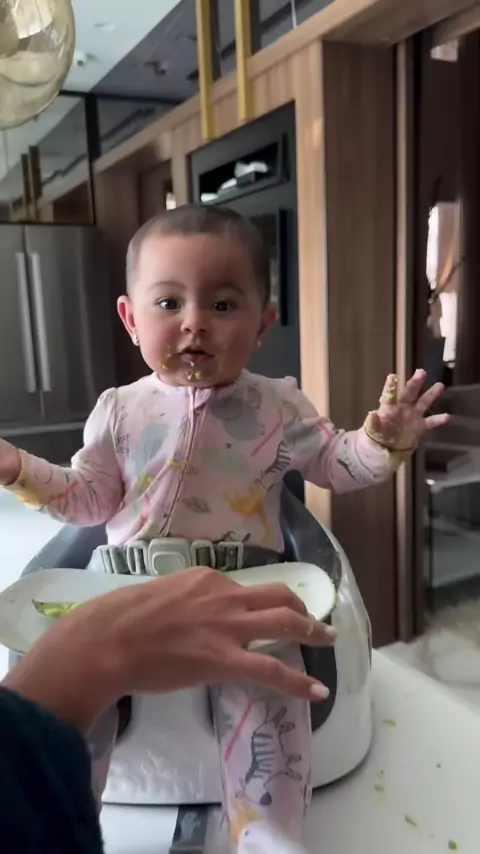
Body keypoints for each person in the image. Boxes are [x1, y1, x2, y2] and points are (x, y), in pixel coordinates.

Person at [0, 204, 448, 853]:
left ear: (263, 322)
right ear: (131, 318)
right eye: (169, 302)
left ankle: (268, 836)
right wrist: (20, 470)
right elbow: (89, 500)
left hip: (242, 584)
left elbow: (336, 465)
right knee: (72, 696)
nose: (195, 322)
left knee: (269, 692)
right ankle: (67, 818)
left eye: (223, 305)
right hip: (122, 590)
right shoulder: (118, 411)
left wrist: (381, 442)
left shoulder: (278, 405)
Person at [0, 566, 332, 853]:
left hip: (246, 581)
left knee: (262, 657)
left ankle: (264, 830)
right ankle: (75, 805)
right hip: (110, 584)